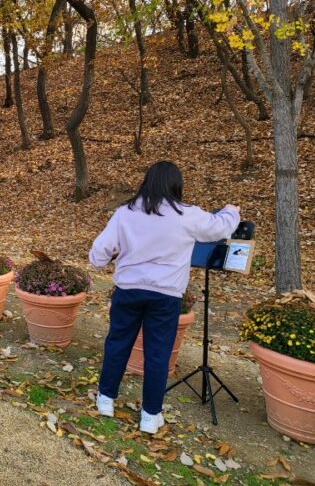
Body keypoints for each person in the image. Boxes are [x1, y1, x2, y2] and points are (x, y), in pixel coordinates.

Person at [89, 161, 240, 434]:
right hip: (166, 296)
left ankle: (106, 399)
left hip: (128, 291)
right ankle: (150, 415)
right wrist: (231, 211)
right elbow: (220, 228)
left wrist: (106, 259)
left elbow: (99, 253)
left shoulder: (125, 212)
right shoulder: (187, 214)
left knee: (118, 344)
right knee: (158, 355)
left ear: (146, 182)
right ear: (176, 185)